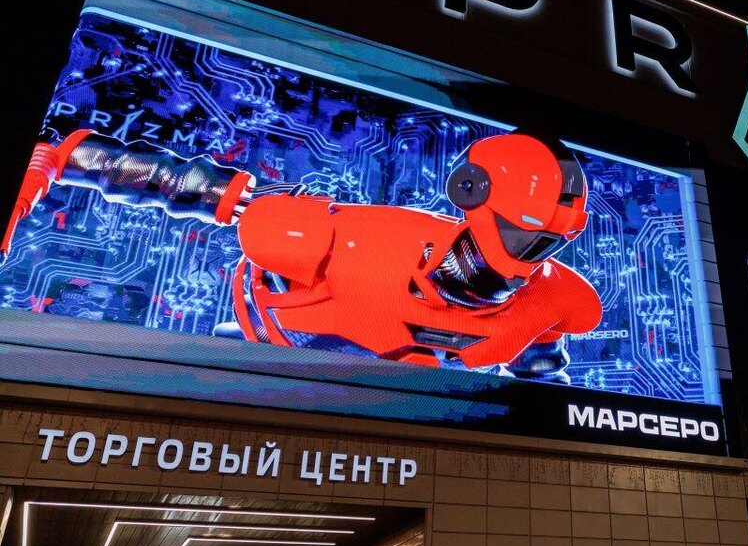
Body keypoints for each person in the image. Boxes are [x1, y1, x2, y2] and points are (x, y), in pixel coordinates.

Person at [2, 129, 602, 383]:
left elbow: (542, 356)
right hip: (275, 369)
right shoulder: (344, 239)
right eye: (521, 234)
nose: (520, 256)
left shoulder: (558, 299)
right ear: (470, 194)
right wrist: (55, 161)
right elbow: (196, 187)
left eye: (542, 242)